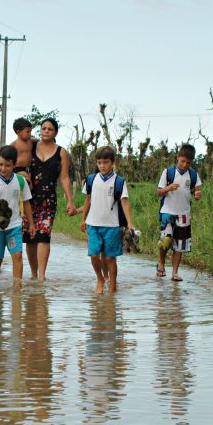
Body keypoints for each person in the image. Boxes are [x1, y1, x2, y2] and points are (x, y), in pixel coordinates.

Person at [23, 118, 77, 280]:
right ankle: (33, 274)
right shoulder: (30, 146)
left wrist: (70, 200)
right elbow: (15, 154)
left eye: (50, 129)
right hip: (28, 198)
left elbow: (65, 178)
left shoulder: (61, 152)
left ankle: (41, 276)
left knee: (44, 236)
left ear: (55, 133)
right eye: (44, 128)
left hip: (49, 199)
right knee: (30, 237)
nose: (46, 131)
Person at [80, 146, 135, 294]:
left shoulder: (119, 181)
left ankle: (113, 286)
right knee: (93, 255)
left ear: (112, 162)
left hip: (112, 225)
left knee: (110, 258)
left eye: (105, 162)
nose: (102, 166)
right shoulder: (91, 179)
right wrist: (83, 219)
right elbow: (88, 200)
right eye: (99, 162)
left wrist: (129, 222)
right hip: (93, 224)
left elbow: (124, 202)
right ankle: (100, 279)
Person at [0, 145, 36, 288]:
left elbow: (26, 203)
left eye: (7, 165)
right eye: (0, 164)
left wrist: (31, 224)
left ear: (14, 164)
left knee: (17, 256)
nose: (3, 168)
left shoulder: (20, 181)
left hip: (14, 226)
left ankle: (17, 290)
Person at [156, 143, 203, 282]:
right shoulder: (168, 172)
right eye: (182, 161)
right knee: (165, 241)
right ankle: (161, 264)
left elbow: (197, 192)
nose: (184, 164)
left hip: (184, 214)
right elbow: (159, 192)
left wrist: (197, 196)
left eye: (188, 162)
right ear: (177, 158)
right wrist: (168, 188)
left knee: (180, 244)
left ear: (191, 162)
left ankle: (175, 272)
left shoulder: (193, 175)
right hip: (167, 212)